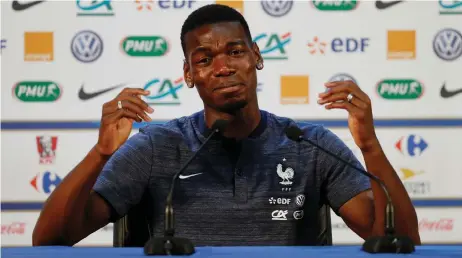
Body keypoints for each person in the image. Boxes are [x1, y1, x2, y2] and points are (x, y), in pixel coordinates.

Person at [32, 4, 420, 246]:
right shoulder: (155, 146)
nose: (222, 68)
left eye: (235, 52)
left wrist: (370, 146)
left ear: (256, 57)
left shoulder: (309, 144)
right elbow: (51, 239)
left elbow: (396, 238)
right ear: (188, 74)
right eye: (204, 60)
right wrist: (100, 155)